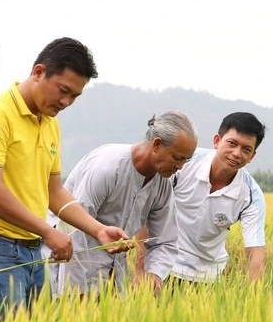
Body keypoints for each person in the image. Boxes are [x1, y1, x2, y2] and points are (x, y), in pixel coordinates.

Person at [0, 37, 131, 315]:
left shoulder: (50, 125)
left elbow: (55, 193)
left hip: (32, 250)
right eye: (63, 90)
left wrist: (98, 229)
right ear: (38, 72)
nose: (66, 101)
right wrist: (48, 232)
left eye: (74, 96)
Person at [47, 111, 198, 297]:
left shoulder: (162, 183)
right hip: (66, 263)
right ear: (157, 145)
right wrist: (75, 294)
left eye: (186, 159)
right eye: (177, 158)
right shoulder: (108, 167)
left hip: (112, 269)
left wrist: (154, 273)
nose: (181, 166)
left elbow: (165, 240)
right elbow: (72, 232)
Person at [142, 112, 267, 285]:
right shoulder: (183, 163)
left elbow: (255, 251)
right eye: (232, 143)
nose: (237, 153)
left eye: (246, 149)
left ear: (252, 156)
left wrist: (256, 296)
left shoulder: (251, 196)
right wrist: (142, 270)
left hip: (207, 277)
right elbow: (145, 208)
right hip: (162, 267)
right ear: (217, 141)